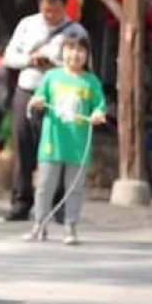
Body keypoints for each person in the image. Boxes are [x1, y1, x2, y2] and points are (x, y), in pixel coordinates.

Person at [2, 0, 89, 222]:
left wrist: (57, 65)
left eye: (55, 10)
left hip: (60, 96)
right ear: (40, 5)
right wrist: (30, 60)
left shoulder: (76, 31)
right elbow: (9, 56)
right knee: (23, 148)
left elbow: (83, 66)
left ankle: (58, 204)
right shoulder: (27, 25)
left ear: (64, 6)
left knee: (58, 149)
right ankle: (21, 202)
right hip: (28, 91)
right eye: (46, 10)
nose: (50, 15)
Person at [26, 35, 106, 245]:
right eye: (70, 49)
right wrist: (37, 101)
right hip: (52, 141)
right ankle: (39, 224)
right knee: (44, 185)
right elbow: (38, 97)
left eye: (80, 50)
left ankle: (71, 226)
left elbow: (100, 105)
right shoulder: (51, 77)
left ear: (87, 55)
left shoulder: (91, 81)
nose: (75, 54)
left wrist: (98, 114)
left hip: (78, 144)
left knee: (75, 187)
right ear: (62, 52)